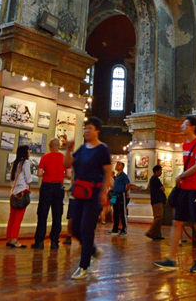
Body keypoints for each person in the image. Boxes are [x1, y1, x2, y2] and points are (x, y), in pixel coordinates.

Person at [154, 115, 196, 274]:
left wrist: (182, 176)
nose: (182, 126)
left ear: (193, 127)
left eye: (185, 124)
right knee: (177, 222)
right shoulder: (185, 145)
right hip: (185, 188)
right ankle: (170, 258)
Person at [64, 117, 112, 279]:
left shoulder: (102, 149)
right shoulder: (82, 149)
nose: (86, 131)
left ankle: (84, 266)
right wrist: (68, 150)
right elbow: (67, 164)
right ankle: (92, 250)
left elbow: (108, 172)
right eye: (85, 128)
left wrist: (104, 192)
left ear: (97, 130)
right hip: (79, 192)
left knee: (86, 228)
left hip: (94, 194)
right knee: (74, 228)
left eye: (90, 128)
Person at [31, 137, 71, 249]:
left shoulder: (45, 157)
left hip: (47, 186)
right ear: (58, 146)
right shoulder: (64, 158)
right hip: (58, 187)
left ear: (49, 146)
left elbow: (39, 173)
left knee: (42, 214)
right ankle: (54, 241)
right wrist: (60, 174)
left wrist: (47, 172)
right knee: (57, 214)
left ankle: (39, 241)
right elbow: (68, 174)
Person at [6, 144, 32, 248]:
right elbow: (28, 178)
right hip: (21, 191)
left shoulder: (14, 163)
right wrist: (29, 188)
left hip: (13, 192)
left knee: (12, 216)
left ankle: (9, 237)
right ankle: (15, 239)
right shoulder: (25, 163)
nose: (29, 152)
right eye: (28, 150)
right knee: (18, 217)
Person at [109, 161, 131, 235]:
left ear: (122, 167)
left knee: (122, 212)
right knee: (116, 212)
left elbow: (128, 184)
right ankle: (115, 229)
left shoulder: (124, 175)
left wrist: (124, 192)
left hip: (121, 195)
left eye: (119, 165)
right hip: (115, 195)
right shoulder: (117, 176)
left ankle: (124, 229)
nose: (117, 166)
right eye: (116, 164)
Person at [146, 165, 167, 240]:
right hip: (157, 200)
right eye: (160, 171)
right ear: (156, 171)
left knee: (158, 217)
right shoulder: (155, 179)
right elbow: (163, 189)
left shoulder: (152, 179)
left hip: (155, 200)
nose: (161, 172)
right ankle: (150, 232)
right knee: (158, 217)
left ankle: (157, 234)